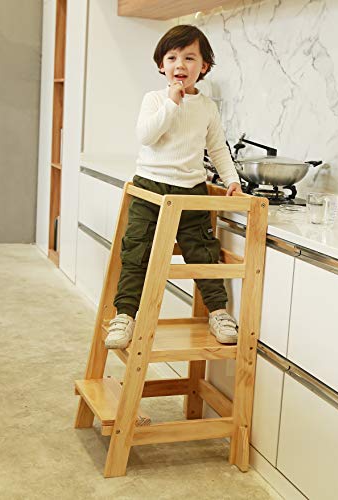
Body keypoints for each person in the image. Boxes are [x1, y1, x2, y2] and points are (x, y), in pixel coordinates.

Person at [105, 25, 242, 349]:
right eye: (172, 57)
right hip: (150, 190)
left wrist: (232, 180)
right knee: (136, 251)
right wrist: (171, 103)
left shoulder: (207, 107)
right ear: (161, 65)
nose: (180, 64)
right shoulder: (154, 99)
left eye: (189, 58)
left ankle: (218, 312)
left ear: (204, 66)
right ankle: (125, 315)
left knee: (203, 253)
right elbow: (146, 136)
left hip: (192, 191)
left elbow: (217, 148)